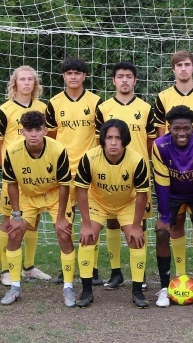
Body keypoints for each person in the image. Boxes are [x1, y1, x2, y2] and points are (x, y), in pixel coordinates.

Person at [155, 51, 193, 286]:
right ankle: (180, 275)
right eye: (179, 65)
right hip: (172, 167)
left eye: (187, 64)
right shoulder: (162, 97)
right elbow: (161, 132)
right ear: (173, 69)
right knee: (175, 221)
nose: (183, 68)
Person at [75, 119, 150, 308]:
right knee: (88, 237)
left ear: (125, 140)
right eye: (109, 137)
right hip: (98, 202)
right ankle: (86, 291)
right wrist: (85, 224)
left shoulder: (137, 160)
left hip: (127, 203)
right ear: (102, 140)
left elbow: (142, 194)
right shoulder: (89, 158)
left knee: (136, 240)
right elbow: (81, 191)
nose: (113, 142)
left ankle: (138, 291)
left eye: (118, 138)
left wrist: (136, 226)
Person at [0, 111, 71, 306]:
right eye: (29, 130)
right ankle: (15, 286)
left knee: (64, 233)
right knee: (14, 233)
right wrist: (15, 214)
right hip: (28, 197)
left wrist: (62, 216)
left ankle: (69, 287)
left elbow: (65, 185)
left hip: (55, 196)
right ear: (21, 131)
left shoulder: (58, 150)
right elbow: (12, 183)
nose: (33, 134)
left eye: (38, 130)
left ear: (45, 131)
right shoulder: (12, 152)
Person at [94, 61, 156, 290]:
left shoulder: (146, 108)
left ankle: (140, 275)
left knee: (140, 222)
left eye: (129, 76)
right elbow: (99, 141)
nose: (125, 80)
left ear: (135, 80)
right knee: (111, 219)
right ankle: (116, 271)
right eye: (120, 76)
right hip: (109, 174)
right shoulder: (103, 108)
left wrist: (140, 163)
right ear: (113, 80)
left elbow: (150, 142)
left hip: (138, 173)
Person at [45, 57, 103, 286]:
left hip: (88, 171)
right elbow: (50, 138)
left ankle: (93, 267)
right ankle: (66, 266)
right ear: (64, 76)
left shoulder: (96, 102)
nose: (73, 76)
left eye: (77, 73)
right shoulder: (54, 103)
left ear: (84, 76)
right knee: (65, 221)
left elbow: (100, 138)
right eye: (69, 73)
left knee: (91, 219)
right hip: (63, 173)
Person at [0, 65, 50, 285]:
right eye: (22, 79)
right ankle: (6, 269)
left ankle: (29, 267)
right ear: (14, 83)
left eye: (30, 79)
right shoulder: (4, 110)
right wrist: (8, 168)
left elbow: (50, 140)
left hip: (37, 176)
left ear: (35, 84)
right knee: (8, 221)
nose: (26, 83)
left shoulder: (44, 108)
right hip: (14, 177)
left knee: (33, 219)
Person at [152, 105, 193, 308]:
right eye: (176, 128)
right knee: (162, 232)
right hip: (171, 192)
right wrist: (163, 216)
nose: (181, 133)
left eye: (186, 128)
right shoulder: (159, 145)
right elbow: (161, 183)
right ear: (169, 128)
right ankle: (164, 287)